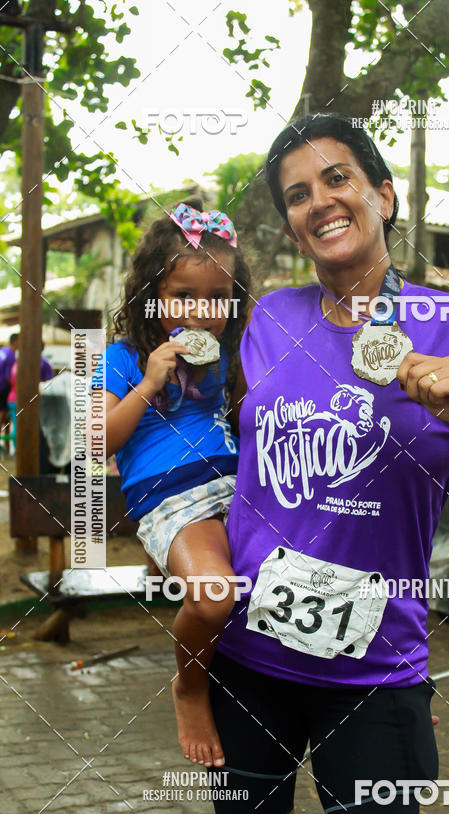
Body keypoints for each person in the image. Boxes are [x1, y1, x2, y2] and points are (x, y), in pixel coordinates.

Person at [199, 114, 449, 814]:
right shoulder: (269, 320)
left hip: (375, 670)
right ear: (292, 224)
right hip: (249, 658)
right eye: (297, 194)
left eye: (336, 179)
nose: (318, 201)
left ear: (383, 196)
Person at [92, 198, 250, 769]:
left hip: (241, 489)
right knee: (213, 596)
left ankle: (376, 688)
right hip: (170, 499)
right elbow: (97, 442)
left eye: (217, 296)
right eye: (184, 294)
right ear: (152, 296)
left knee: (325, 560)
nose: (202, 311)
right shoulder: (123, 356)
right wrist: (148, 382)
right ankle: (188, 686)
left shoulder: (234, 354)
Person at [7, 340, 53, 454]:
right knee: (30, 427)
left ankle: (18, 451)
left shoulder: (18, 363)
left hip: (13, 398)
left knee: (18, 426)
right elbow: (49, 384)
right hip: (31, 400)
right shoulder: (43, 363)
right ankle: (23, 451)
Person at [0, 333, 18, 446]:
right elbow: (8, 377)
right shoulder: (11, 355)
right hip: (3, 388)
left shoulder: (3, 351)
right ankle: (6, 444)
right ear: (16, 341)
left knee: (5, 416)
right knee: (2, 413)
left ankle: (6, 445)